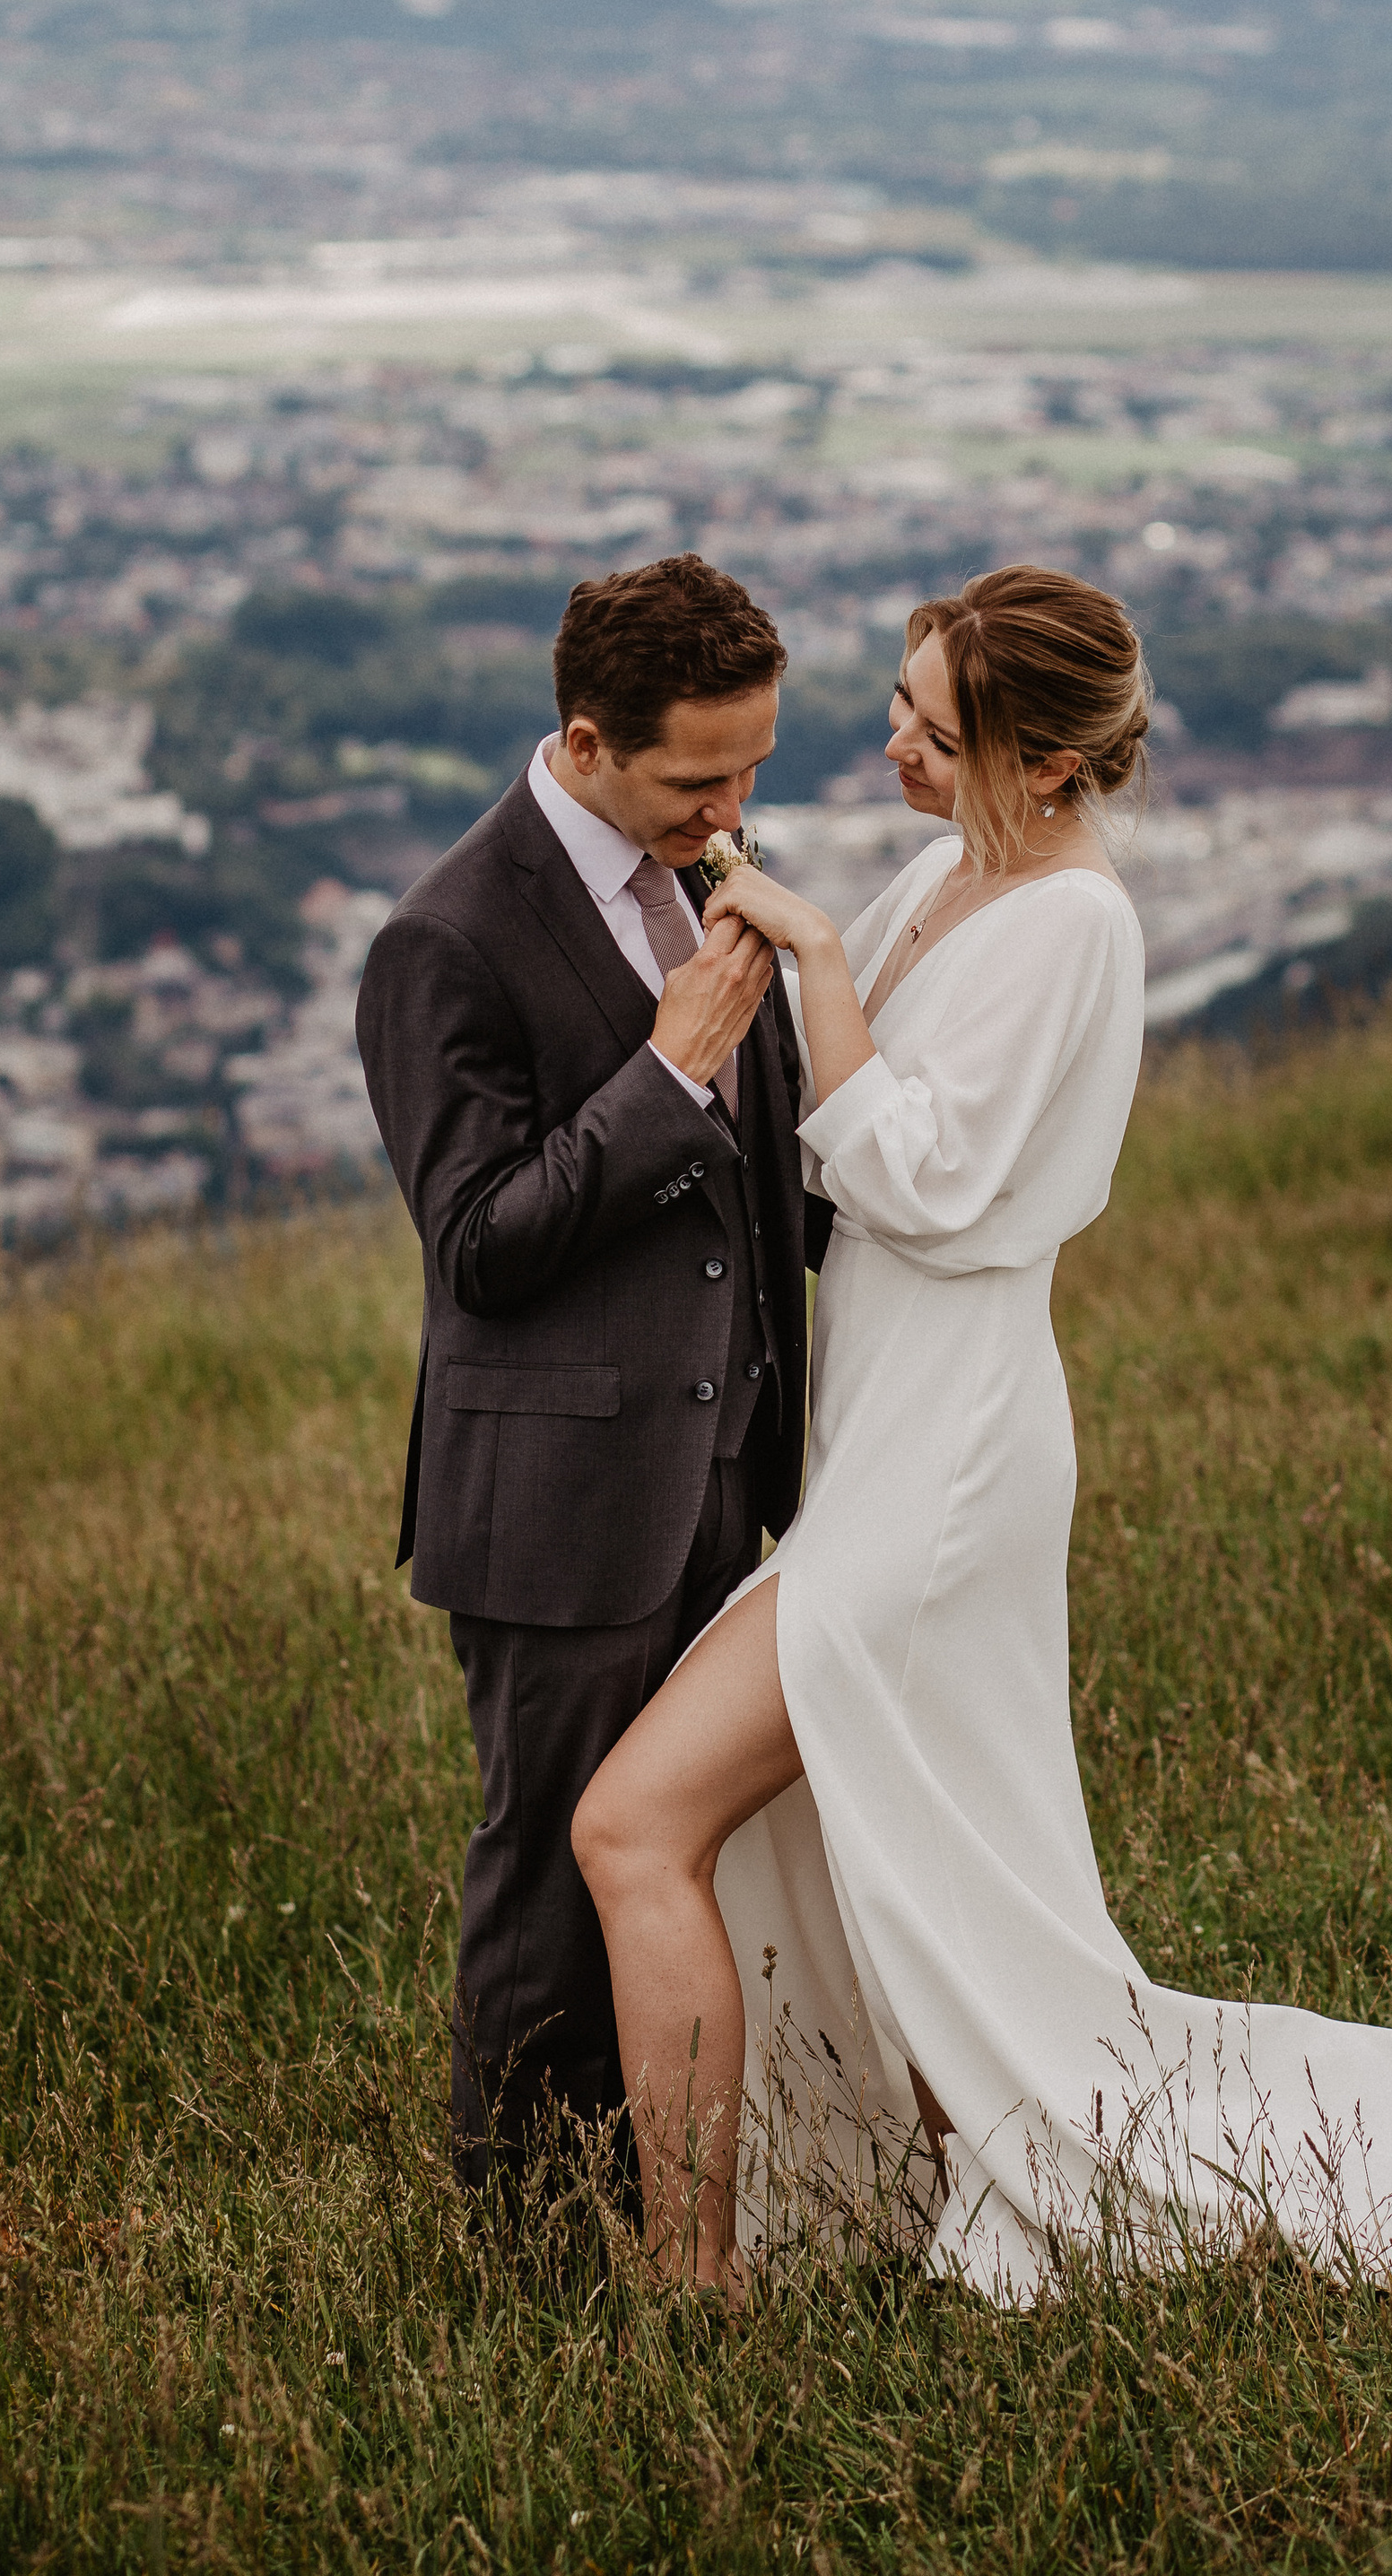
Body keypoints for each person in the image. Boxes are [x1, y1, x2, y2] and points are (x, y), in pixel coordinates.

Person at [572, 564, 1392, 2301]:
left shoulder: (1072, 927)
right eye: (896, 705)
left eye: (927, 728)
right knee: (926, 1852)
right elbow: (807, 1107)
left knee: (636, 1816)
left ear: (1038, 765)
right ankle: (935, 2180)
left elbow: (925, 1176)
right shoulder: (946, 872)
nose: (885, 743)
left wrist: (804, 952)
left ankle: (694, 2285)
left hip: (948, 1455)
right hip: (879, 1431)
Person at [354, 551, 823, 2198]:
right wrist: (667, 1067)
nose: (734, 807)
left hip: (728, 1473)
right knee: (552, 1888)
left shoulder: (702, 864)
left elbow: (762, 1174)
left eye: (755, 765)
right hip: (558, 1507)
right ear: (585, 738)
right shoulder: (446, 940)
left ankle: (683, 2201)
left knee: (681, 1863)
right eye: (700, 778)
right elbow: (477, 1244)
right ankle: (530, 2258)